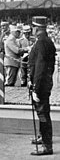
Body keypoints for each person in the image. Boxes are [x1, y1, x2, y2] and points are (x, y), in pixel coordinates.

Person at [28, 16, 56, 156]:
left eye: (33, 28)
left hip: (41, 85)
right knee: (42, 113)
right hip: (46, 83)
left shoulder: (41, 44)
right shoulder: (47, 42)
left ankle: (47, 146)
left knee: (43, 114)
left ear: (37, 29)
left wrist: (35, 88)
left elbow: (40, 68)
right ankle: (42, 137)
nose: (32, 30)